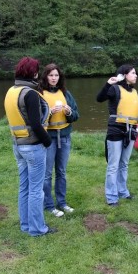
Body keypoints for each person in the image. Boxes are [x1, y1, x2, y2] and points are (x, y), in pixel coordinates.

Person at [4, 57, 57, 236]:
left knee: (24, 186)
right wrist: (48, 142)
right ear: (33, 73)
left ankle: (25, 225)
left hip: (18, 146)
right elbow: (35, 124)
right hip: (33, 147)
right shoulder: (30, 94)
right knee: (36, 190)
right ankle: (38, 229)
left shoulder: (11, 91)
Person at [96, 64, 138, 206]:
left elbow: (132, 115)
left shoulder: (134, 92)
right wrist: (108, 83)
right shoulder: (114, 89)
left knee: (124, 164)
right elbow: (99, 98)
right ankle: (111, 196)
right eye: (133, 73)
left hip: (130, 131)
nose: (136, 75)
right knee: (113, 165)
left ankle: (123, 191)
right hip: (116, 130)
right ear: (125, 75)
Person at [39, 64, 80, 217]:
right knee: (47, 174)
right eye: (51, 75)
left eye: (56, 75)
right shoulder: (40, 93)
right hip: (48, 139)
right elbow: (36, 118)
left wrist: (69, 111)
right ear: (46, 77)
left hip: (64, 137)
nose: (54, 78)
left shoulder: (66, 94)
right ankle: (49, 205)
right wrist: (49, 113)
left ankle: (62, 203)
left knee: (61, 172)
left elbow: (76, 115)